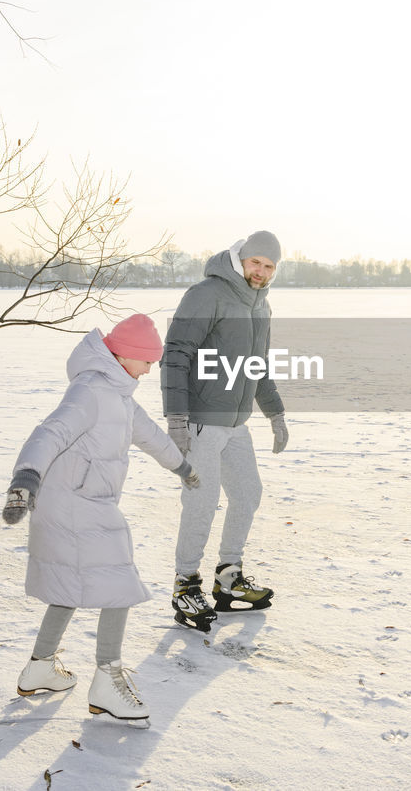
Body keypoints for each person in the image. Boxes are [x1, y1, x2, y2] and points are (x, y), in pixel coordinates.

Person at [3, 313, 199, 724]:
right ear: (125, 355)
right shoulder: (90, 390)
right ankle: (107, 681)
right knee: (120, 583)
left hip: (82, 499)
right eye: (147, 361)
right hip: (71, 500)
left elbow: (150, 436)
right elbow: (50, 432)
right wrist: (26, 478)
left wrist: (181, 466)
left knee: (71, 587)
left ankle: (40, 667)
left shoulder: (120, 394)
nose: (150, 369)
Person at [161, 231, 289, 632]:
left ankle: (228, 578)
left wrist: (275, 413)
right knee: (202, 502)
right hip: (200, 420)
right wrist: (177, 419)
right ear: (240, 258)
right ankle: (186, 584)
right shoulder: (207, 294)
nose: (261, 272)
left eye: (269, 267)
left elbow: (259, 365)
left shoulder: (260, 306)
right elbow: (176, 355)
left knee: (248, 494)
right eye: (256, 263)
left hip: (235, 424)